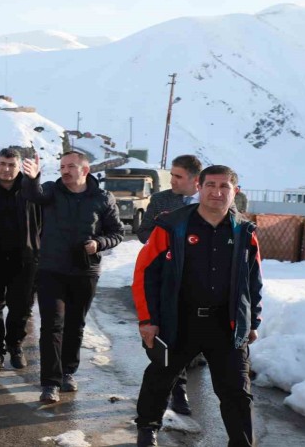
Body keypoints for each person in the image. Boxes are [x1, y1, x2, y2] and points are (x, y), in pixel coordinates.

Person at [132, 165, 263, 447]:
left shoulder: (244, 231)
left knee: (237, 391)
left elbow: (254, 280)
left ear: (235, 191)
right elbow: (145, 274)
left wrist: (252, 321)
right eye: (211, 185)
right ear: (199, 188)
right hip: (178, 321)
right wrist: (148, 319)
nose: (217, 192)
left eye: (224, 186)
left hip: (226, 324)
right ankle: (147, 429)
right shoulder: (172, 226)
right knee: (160, 378)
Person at [21, 151, 123, 403]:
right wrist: (32, 178)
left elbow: (117, 232)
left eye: (70, 166)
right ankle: (50, 382)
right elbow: (32, 195)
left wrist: (99, 244)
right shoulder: (51, 191)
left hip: (84, 271)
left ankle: (67, 371)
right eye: (62, 166)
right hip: (51, 270)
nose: (65, 171)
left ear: (85, 170)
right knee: (52, 325)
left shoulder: (103, 198)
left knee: (75, 325)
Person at [135, 154, 202, 415]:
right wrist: (164, 235)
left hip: (198, 283)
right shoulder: (161, 200)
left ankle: (180, 383)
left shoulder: (209, 201)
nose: (172, 180)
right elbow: (143, 233)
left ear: (195, 180)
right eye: (171, 175)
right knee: (169, 340)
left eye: (178, 176)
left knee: (189, 338)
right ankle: (176, 392)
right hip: (166, 280)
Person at [0, 148, 41, 372]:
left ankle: (15, 345)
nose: (6, 169)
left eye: (11, 165)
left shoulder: (30, 189)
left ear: (19, 166)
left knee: (20, 308)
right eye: (2, 163)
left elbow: (43, 220)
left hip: (24, 260)